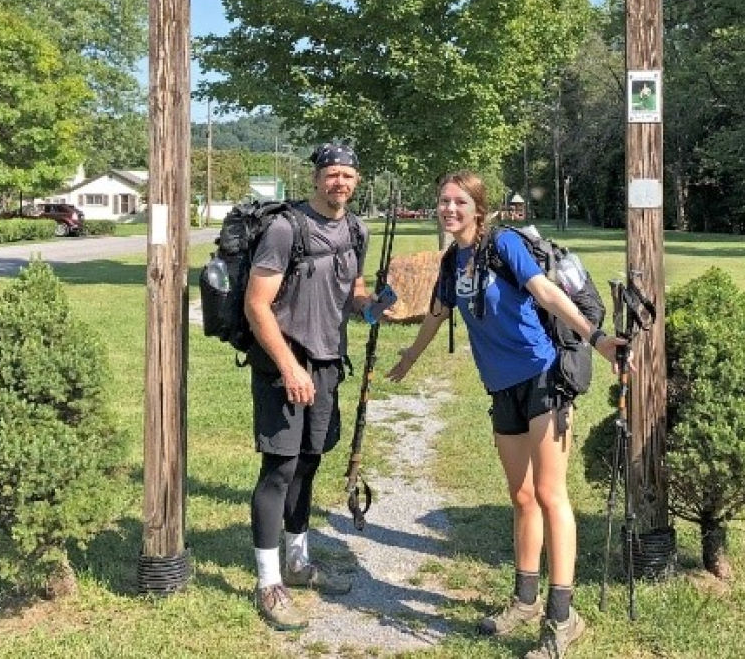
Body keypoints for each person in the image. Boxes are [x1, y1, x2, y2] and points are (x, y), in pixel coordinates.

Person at [386, 170, 626, 659]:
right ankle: (524, 599)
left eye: (459, 202)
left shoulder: (505, 245)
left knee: (548, 492)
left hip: (543, 376)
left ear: (479, 207)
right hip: (502, 387)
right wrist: (410, 356)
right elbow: (436, 313)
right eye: (443, 201)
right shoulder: (453, 261)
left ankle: (563, 617)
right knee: (520, 495)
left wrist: (596, 339)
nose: (449, 209)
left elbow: (546, 294)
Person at [245, 141, 379, 631]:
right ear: (316, 178)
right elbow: (257, 305)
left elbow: (353, 289)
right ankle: (268, 582)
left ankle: (298, 563)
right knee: (278, 468)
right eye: (330, 174)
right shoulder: (286, 229)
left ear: (356, 180)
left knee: (308, 463)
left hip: (326, 363)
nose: (338, 182)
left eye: (346, 174)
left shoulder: (357, 229)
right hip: (286, 364)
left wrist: (369, 306)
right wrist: (289, 367)